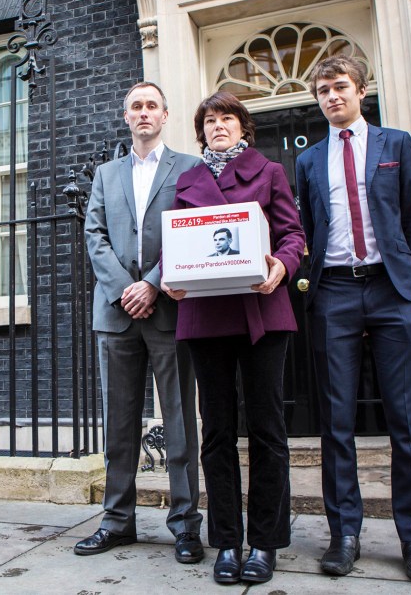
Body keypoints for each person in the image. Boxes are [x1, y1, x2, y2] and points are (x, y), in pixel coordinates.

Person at [294, 55, 411, 583]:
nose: (332, 97)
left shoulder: (395, 144)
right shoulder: (308, 161)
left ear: (361, 91)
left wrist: (404, 280)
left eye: (340, 87)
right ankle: (345, 535)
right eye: (323, 90)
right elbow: (307, 227)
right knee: (337, 425)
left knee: (407, 424)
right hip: (334, 291)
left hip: (390, 290)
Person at [162, 91, 305, 585]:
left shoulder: (270, 173)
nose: (217, 126)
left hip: (262, 311)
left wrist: (282, 265)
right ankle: (226, 542)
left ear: (244, 127)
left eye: (227, 119)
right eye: (209, 121)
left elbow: (293, 235)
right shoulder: (187, 182)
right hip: (206, 315)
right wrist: (170, 277)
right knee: (217, 432)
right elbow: (176, 245)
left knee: (268, 430)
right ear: (200, 131)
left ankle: (264, 542)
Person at [80, 81, 205, 564]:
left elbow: (194, 228)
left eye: (152, 105)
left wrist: (152, 283)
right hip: (115, 314)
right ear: (126, 116)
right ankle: (117, 522)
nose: (144, 112)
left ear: (165, 115)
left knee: (178, 422)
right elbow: (94, 233)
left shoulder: (189, 168)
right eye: (136, 106)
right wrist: (123, 289)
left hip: (170, 309)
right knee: (119, 425)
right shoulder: (106, 173)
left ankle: (185, 525)